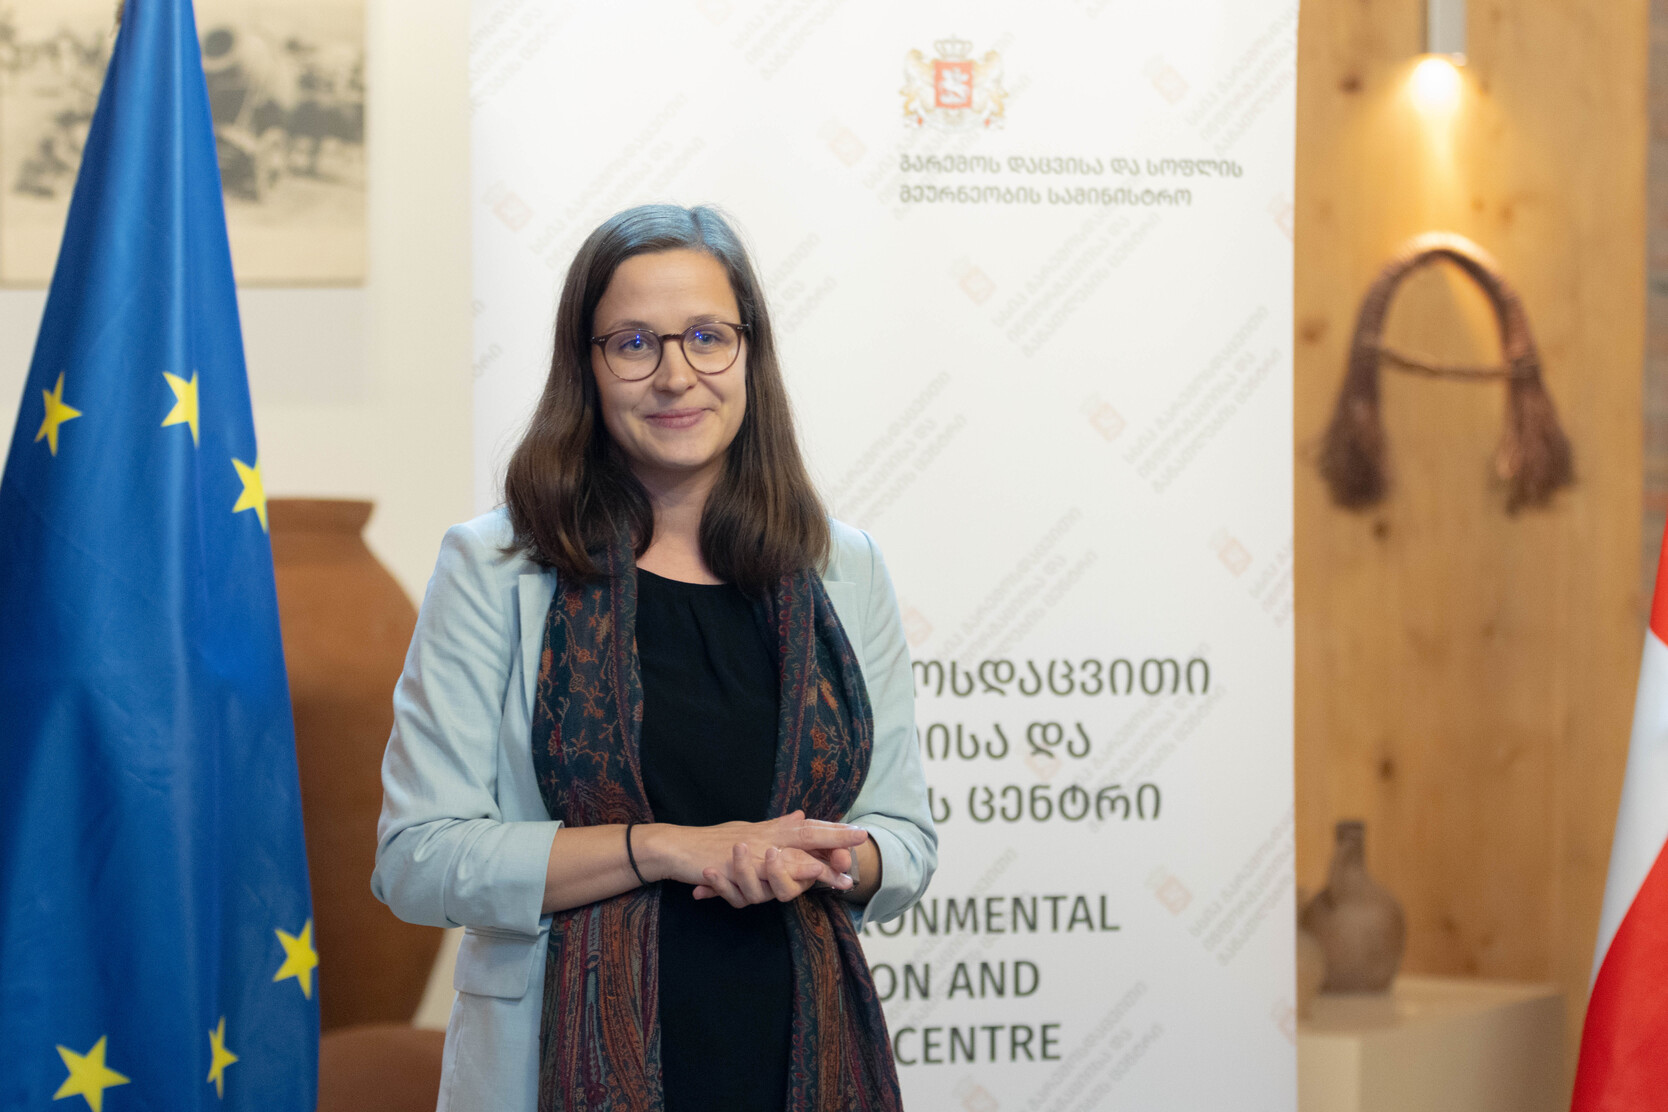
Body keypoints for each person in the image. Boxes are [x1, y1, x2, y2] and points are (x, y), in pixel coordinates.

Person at [372, 204, 937, 1112]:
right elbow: (418, 859)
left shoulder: (842, 565)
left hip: (800, 1051)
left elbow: (903, 837)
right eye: (634, 343)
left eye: (708, 337)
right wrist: (668, 849)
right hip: (557, 1068)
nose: (677, 375)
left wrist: (823, 857)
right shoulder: (495, 567)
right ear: (587, 367)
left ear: (749, 353)